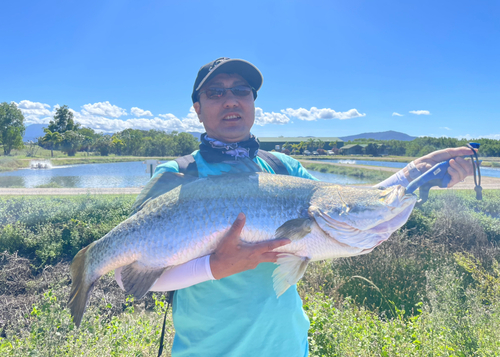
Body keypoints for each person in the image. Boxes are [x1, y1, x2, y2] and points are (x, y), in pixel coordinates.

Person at [116, 57, 474, 357]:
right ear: (197, 108)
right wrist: (215, 266)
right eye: (216, 93)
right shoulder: (177, 176)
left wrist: (417, 174)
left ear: (253, 102)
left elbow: (348, 206)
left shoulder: (284, 168)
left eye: (241, 90)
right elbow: (124, 275)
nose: (230, 100)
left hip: (287, 345)